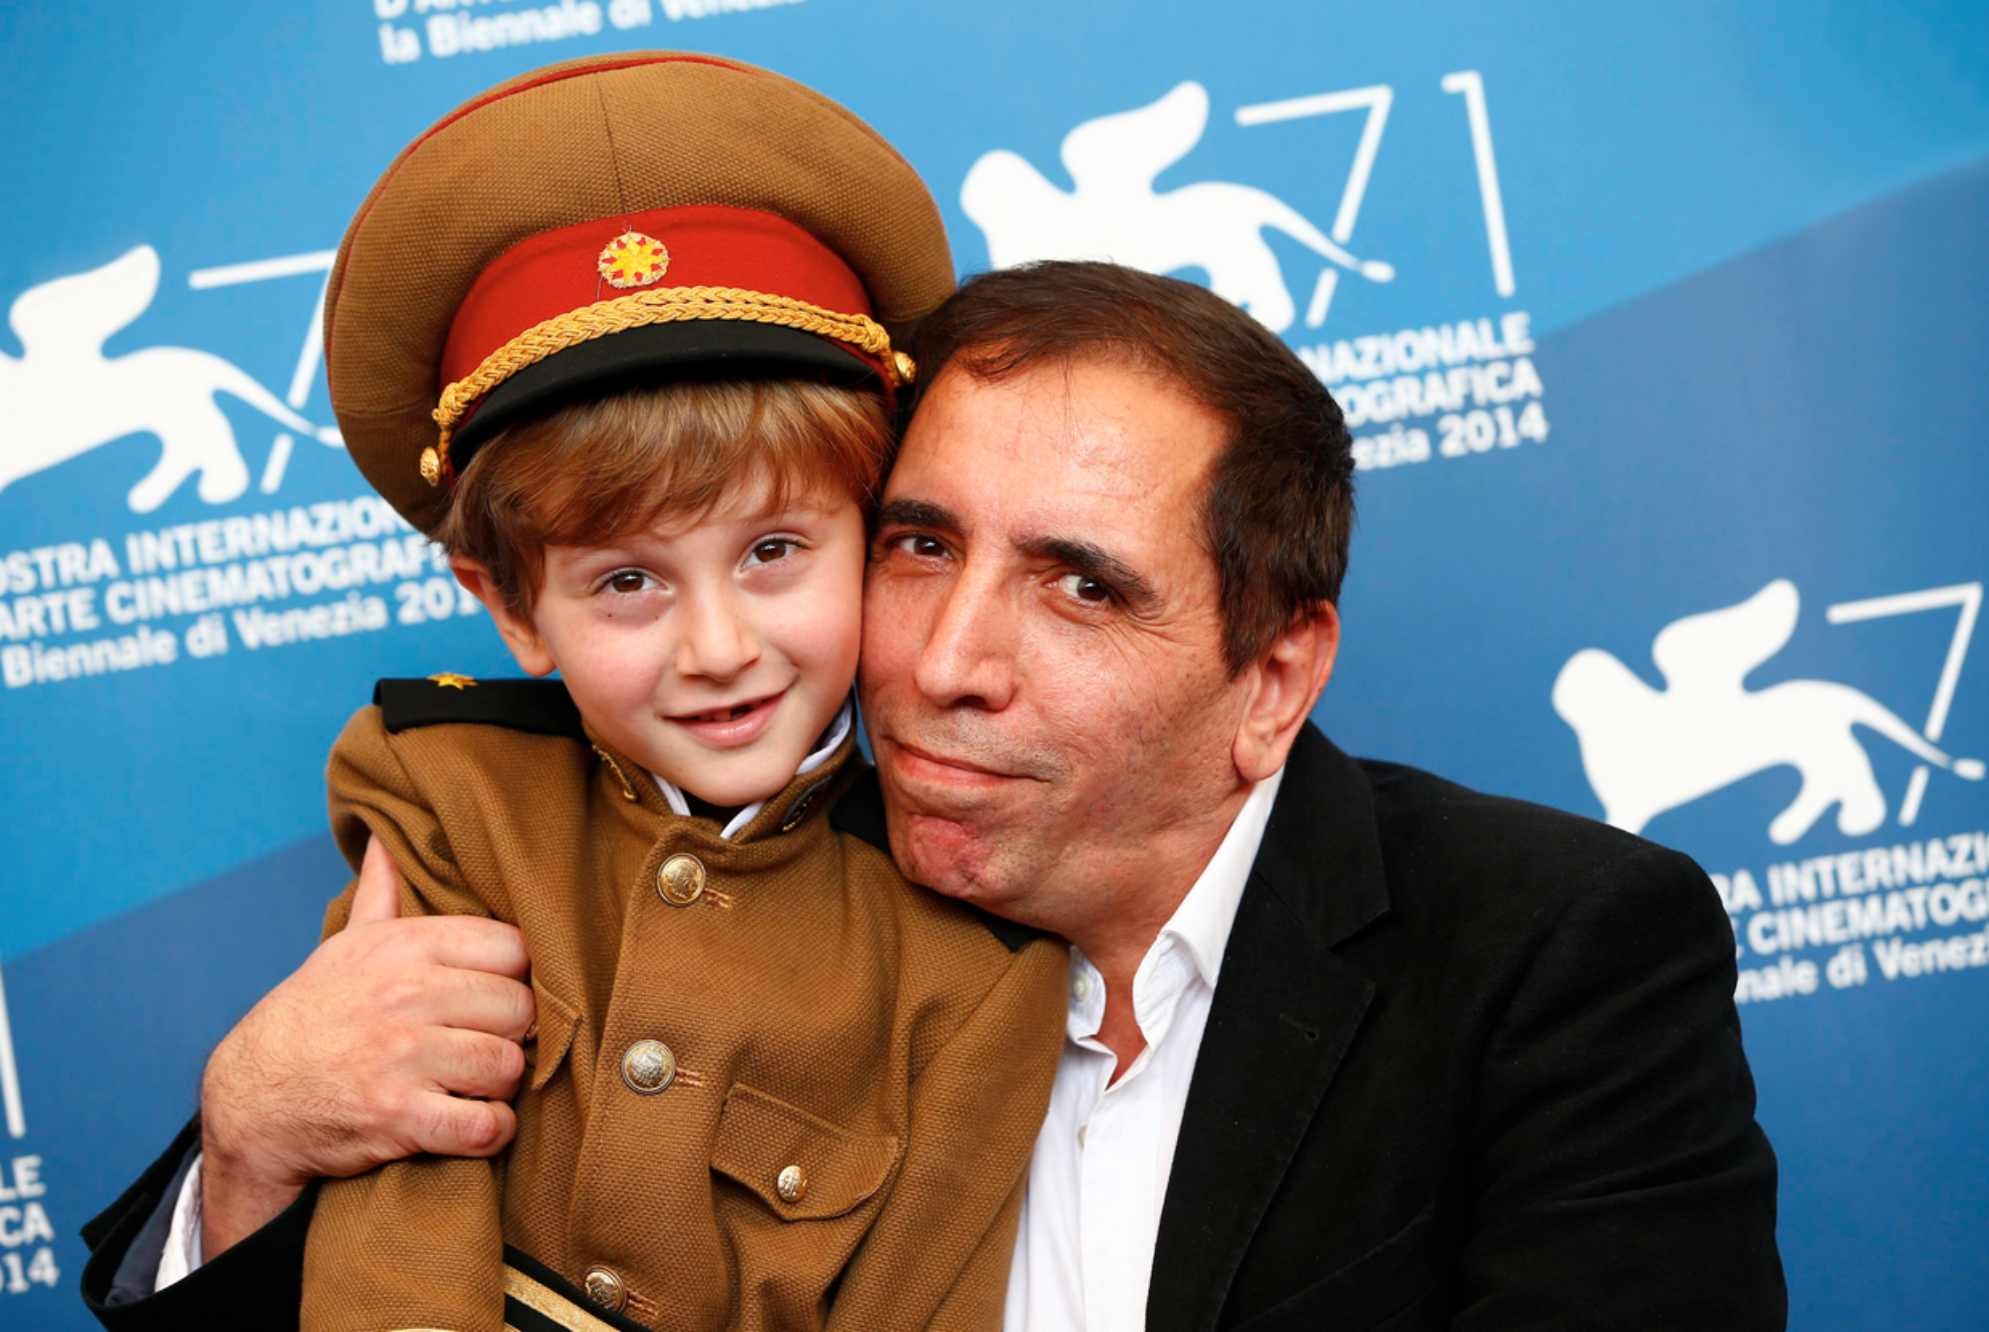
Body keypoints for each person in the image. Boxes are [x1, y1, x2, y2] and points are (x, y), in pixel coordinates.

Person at [83, 240, 1788, 1331]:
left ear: (1270, 673)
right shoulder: (700, 828)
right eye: (913, 544)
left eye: (1077, 584)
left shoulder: (1544, 959)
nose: (946, 658)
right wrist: (250, 1140)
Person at [91, 51, 1075, 1332]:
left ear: (879, 536)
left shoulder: (978, 955)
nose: (717, 646)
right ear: (511, 608)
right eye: (627, 582)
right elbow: (396, 1201)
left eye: (774, 552)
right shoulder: (447, 794)